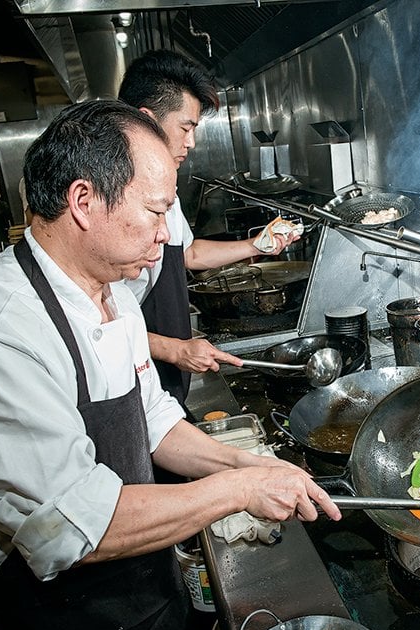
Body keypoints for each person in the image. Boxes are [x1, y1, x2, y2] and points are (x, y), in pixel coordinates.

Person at [0, 99, 340, 630]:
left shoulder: (110, 291)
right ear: (84, 202)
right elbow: (76, 528)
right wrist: (238, 488)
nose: (166, 235)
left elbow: (152, 418)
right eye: (156, 211)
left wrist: (250, 461)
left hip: (142, 595)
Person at [118, 49, 300, 405]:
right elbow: (95, 324)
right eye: (186, 128)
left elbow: (188, 253)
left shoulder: (163, 184)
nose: (192, 142)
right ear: (146, 121)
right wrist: (173, 350)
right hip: (128, 371)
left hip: (157, 370)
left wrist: (256, 246)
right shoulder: (109, 202)